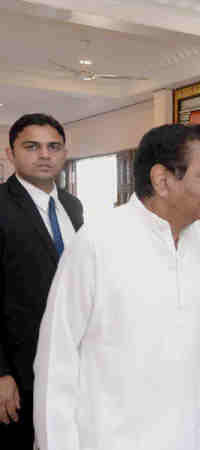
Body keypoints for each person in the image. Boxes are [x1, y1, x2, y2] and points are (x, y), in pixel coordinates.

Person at [33, 124, 200, 450]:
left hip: (182, 433)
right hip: (108, 436)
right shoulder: (97, 241)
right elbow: (56, 361)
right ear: (162, 180)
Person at [0, 113, 83, 448]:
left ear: (64, 153)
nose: (45, 155)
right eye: (32, 147)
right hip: (18, 368)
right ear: (10, 153)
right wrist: (1, 372)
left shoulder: (72, 206)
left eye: (54, 147)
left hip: (70, 360)